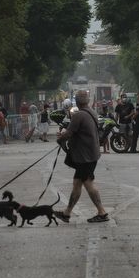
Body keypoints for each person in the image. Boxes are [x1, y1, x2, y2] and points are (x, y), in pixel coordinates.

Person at [56, 90, 109, 223]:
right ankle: (67, 213)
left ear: (77, 102)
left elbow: (69, 133)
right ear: (88, 101)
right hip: (91, 154)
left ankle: (102, 212)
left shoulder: (79, 115)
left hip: (85, 157)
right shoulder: (92, 112)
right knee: (77, 183)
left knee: (88, 183)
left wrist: (60, 137)